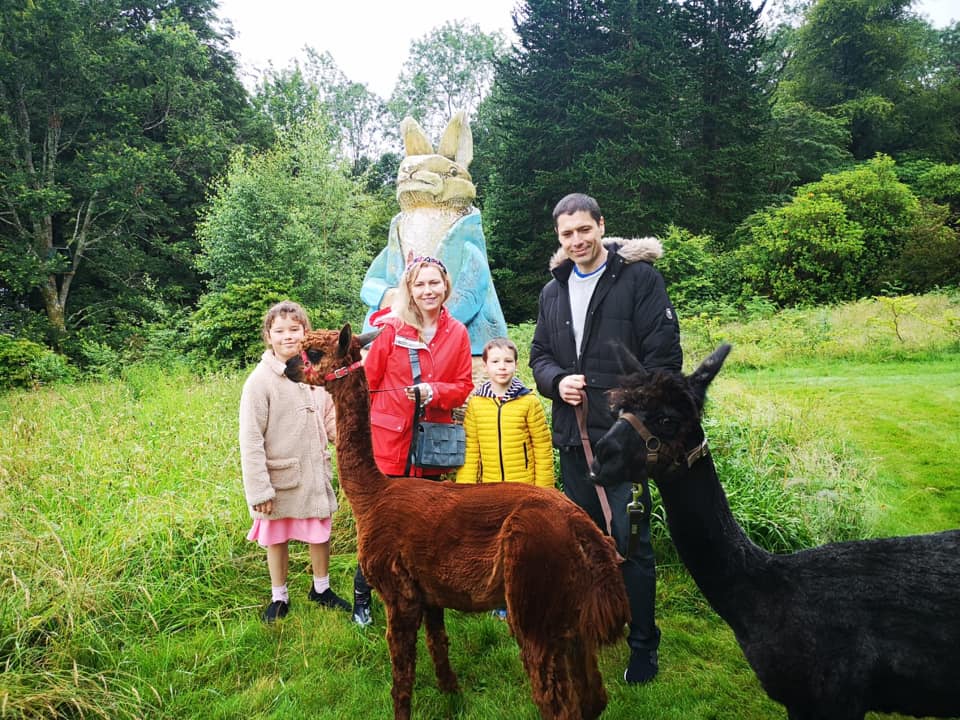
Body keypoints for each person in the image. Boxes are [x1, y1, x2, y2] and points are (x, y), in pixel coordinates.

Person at [529, 193, 682, 684]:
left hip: (623, 445)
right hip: (574, 443)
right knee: (585, 544)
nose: (576, 241)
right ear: (558, 238)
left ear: (600, 226)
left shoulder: (639, 280)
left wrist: (627, 415)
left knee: (631, 544)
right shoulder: (552, 292)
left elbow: (664, 361)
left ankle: (643, 646)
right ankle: (598, 624)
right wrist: (556, 382)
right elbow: (538, 356)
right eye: (566, 234)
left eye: (583, 230)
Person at [353, 255, 474, 626]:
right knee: (380, 528)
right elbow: (367, 384)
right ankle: (362, 594)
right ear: (409, 289)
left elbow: (464, 386)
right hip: (389, 446)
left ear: (445, 286)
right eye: (420, 284)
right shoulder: (392, 331)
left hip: (429, 447)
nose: (428, 291)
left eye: (434, 283)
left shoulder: (458, 333)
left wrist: (434, 392)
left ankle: (418, 595)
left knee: (423, 526)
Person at [239, 300, 352, 623]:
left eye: (295, 330)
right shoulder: (260, 382)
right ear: (268, 336)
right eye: (280, 331)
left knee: (319, 531)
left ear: (306, 333)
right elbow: (250, 440)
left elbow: (330, 416)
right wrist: (260, 491)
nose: (288, 337)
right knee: (276, 536)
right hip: (279, 478)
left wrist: (346, 442)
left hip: (313, 473)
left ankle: (321, 588)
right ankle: (279, 595)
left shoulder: (314, 373)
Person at [455, 337, 554, 489]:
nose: (502, 367)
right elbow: (471, 450)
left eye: (508, 361)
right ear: (485, 366)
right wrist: (464, 490)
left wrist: (544, 491)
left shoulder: (529, 401)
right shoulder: (476, 404)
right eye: (495, 362)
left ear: (516, 365)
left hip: (524, 487)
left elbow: (542, 448)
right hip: (490, 488)